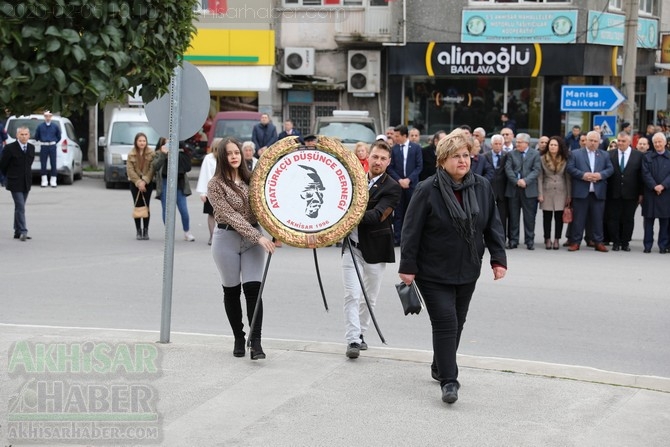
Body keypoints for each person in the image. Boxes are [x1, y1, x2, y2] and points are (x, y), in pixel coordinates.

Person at [398, 129, 507, 405]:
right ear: (442, 160)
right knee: (446, 322)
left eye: (466, 155)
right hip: (432, 271)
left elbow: (492, 224)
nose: (463, 161)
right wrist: (407, 267)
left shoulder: (481, 186)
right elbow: (411, 231)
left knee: (457, 322)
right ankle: (449, 380)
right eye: (456, 156)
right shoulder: (427, 189)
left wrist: (498, 258)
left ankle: (439, 365)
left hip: (468, 268)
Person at [208, 138, 275, 359]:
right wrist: (258, 237)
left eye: (237, 152)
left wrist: (278, 229)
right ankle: (238, 336)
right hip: (226, 238)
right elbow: (229, 215)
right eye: (229, 153)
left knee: (254, 291)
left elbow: (268, 205)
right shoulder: (215, 185)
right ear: (222, 157)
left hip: (252, 243)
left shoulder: (253, 179)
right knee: (231, 291)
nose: (235, 156)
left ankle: (256, 342)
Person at [342, 141, 401, 359]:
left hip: (376, 248)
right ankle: (353, 340)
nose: (378, 162)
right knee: (351, 294)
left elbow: (378, 216)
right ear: (368, 156)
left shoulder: (392, 187)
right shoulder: (353, 181)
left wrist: (345, 216)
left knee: (369, 297)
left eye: (383, 159)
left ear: (388, 162)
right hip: (351, 247)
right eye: (375, 157)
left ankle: (362, 332)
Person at [566, 131, 614, 252]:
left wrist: (600, 175)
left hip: (598, 192)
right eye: (591, 140)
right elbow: (570, 168)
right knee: (578, 219)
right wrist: (583, 175)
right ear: (585, 141)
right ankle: (575, 242)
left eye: (595, 141)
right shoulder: (575, 154)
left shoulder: (604, 155)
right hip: (581, 191)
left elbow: (610, 169)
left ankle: (598, 242)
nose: (593, 143)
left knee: (598, 219)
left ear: (599, 142)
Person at [152, 138, 196, 242]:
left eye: (171, 141)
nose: (169, 143)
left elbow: (187, 166)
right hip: (165, 182)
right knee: (166, 209)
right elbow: (155, 166)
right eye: (167, 141)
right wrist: (163, 153)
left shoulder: (180, 152)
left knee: (183, 209)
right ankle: (168, 233)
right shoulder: (159, 153)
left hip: (179, 182)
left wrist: (180, 151)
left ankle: (187, 232)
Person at [606, 132, 643, 252]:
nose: (620, 143)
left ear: (629, 142)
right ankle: (615, 242)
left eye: (623, 141)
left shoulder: (638, 156)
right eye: (619, 141)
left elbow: (641, 176)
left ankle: (625, 242)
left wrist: (641, 193)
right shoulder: (610, 154)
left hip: (631, 193)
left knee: (628, 219)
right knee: (613, 218)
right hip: (613, 192)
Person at [504, 133, 541, 250]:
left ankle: (529, 240)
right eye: (517, 142)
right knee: (513, 217)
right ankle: (513, 240)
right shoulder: (511, 154)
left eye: (520, 142)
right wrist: (516, 181)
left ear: (527, 143)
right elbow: (508, 169)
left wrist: (525, 181)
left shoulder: (535, 154)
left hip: (529, 189)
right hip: (514, 189)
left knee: (529, 217)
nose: (517, 144)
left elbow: (536, 170)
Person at [387, 124, 423, 246]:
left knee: (412, 213)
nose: (395, 138)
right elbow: (390, 168)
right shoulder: (394, 149)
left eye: (397, 136)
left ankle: (411, 239)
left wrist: (408, 179)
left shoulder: (416, 148)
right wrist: (399, 180)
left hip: (411, 185)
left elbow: (419, 166)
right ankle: (398, 238)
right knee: (398, 213)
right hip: (398, 185)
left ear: (404, 135)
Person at [0, 126, 35, 241]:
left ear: (29, 136)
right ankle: (23, 231)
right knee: (20, 206)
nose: (24, 136)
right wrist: (7, 177)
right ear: (17, 136)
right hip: (14, 182)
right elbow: (3, 164)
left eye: (26, 134)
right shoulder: (10, 148)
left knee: (20, 207)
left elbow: (29, 164)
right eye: (21, 134)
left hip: (26, 182)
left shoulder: (31, 147)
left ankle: (17, 231)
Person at [538, 136, 571, 250]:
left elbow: (568, 178)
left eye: (555, 145)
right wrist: (540, 193)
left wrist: (569, 195)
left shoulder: (565, 159)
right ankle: (547, 238)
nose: (552, 147)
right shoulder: (542, 158)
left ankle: (557, 239)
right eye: (551, 145)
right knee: (546, 217)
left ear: (559, 147)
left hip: (562, 190)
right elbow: (540, 177)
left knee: (558, 217)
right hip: (547, 189)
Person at [641, 133, 670, 253]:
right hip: (650, 193)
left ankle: (663, 246)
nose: (658, 144)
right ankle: (647, 246)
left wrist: (663, 185)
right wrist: (654, 186)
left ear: (665, 143)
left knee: (665, 222)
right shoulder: (647, 157)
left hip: (666, 193)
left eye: (660, 142)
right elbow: (645, 173)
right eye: (655, 142)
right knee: (648, 221)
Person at [126, 132, 156, 240]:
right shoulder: (131, 154)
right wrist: (139, 182)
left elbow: (152, 169)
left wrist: (145, 181)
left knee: (146, 205)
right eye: (140, 141)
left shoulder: (151, 153)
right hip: (135, 184)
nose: (142, 143)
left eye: (144, 141)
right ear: (136, 142)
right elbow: (130, 170)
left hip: (148, 184)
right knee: (138, 205)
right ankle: (138, 230)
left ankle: (146, 230)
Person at [196, 137, 222, 246]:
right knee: (211, 214)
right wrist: (203, 192)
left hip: (223, 191)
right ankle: (212, 236)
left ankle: (220, 237)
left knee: (222, 215)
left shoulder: (226, 158)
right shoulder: (208, 158)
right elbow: (204, 174)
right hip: (211, 190)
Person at [484, 134, 509, 244]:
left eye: (500, 144)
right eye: (495, 144)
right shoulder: (485, 156)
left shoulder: (507, 155)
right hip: (489, 190)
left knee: (502, 217)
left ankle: (501, 239)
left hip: (503, 191)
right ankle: (488, 239)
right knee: (488, 216)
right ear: (491, 145)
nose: (498, 146)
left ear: (503, 145)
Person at [34, 111, 61, 188]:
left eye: (49, 116)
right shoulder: (40, 126)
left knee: (53, 163)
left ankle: (53, 181)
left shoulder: (55, 126)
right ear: (44, 117)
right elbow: (37, 136)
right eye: (46, 116)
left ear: (51, 116)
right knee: (43, 163)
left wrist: (54, 141)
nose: (48, 118)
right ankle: (44, 181)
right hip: (44, 145)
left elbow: (58, 136)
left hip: (52, 145)